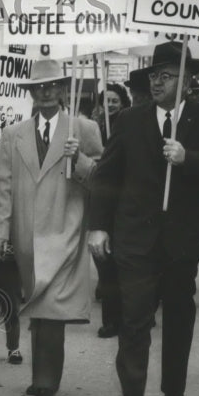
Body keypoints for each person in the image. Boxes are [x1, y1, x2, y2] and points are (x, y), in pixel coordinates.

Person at [87, 41, 199, 396]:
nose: (156, 82)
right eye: (153, 76)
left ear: (187, 80)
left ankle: (174, 390)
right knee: (134, 319)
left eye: (166, 76)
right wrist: (99, 226)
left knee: (178, 317)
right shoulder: (130, 120)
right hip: (135, 238)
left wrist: (189, 158)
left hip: (181, 242)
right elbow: (107, 176)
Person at [0, 60, 103, 396]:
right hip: (25, 235)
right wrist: (0, 228)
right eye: (40, 87)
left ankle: (46, 383)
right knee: (38, 307)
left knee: (51, 309)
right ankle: (41, 377)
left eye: (53, 86)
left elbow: (102, 179)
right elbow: (2, 184)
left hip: (65, 231)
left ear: (64, 89)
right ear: (31, 94)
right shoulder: (14, 134)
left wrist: (80, 159)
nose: (47, 92)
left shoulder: (83, 128)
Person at [92, 81, 131, 338]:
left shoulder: (129, 124)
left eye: (115, 100)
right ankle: (110, 320)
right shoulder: (94, 126)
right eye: (107, 100)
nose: (111, 105)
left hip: (126, 200)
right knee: (105, 264)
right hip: (102, 197)